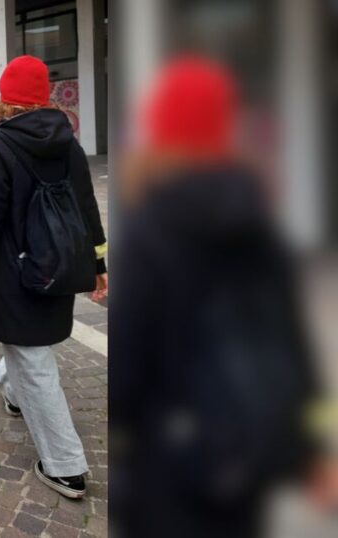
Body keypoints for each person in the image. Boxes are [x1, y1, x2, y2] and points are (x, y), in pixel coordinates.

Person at [112, 57, 322, 538]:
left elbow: (127, 369)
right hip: (244, 455)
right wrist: (309, 452)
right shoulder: (258, 220)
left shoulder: (151, 227)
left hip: (169, 466)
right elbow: (289, 341)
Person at [0, 55, 108, 500]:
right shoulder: (70, 144)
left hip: (14, 272)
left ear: (5, 99)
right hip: (59, 267)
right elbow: (87, 210)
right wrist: (98, 266)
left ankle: (65, 467)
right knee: (30, 348)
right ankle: (11, 392)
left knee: (35, 363)